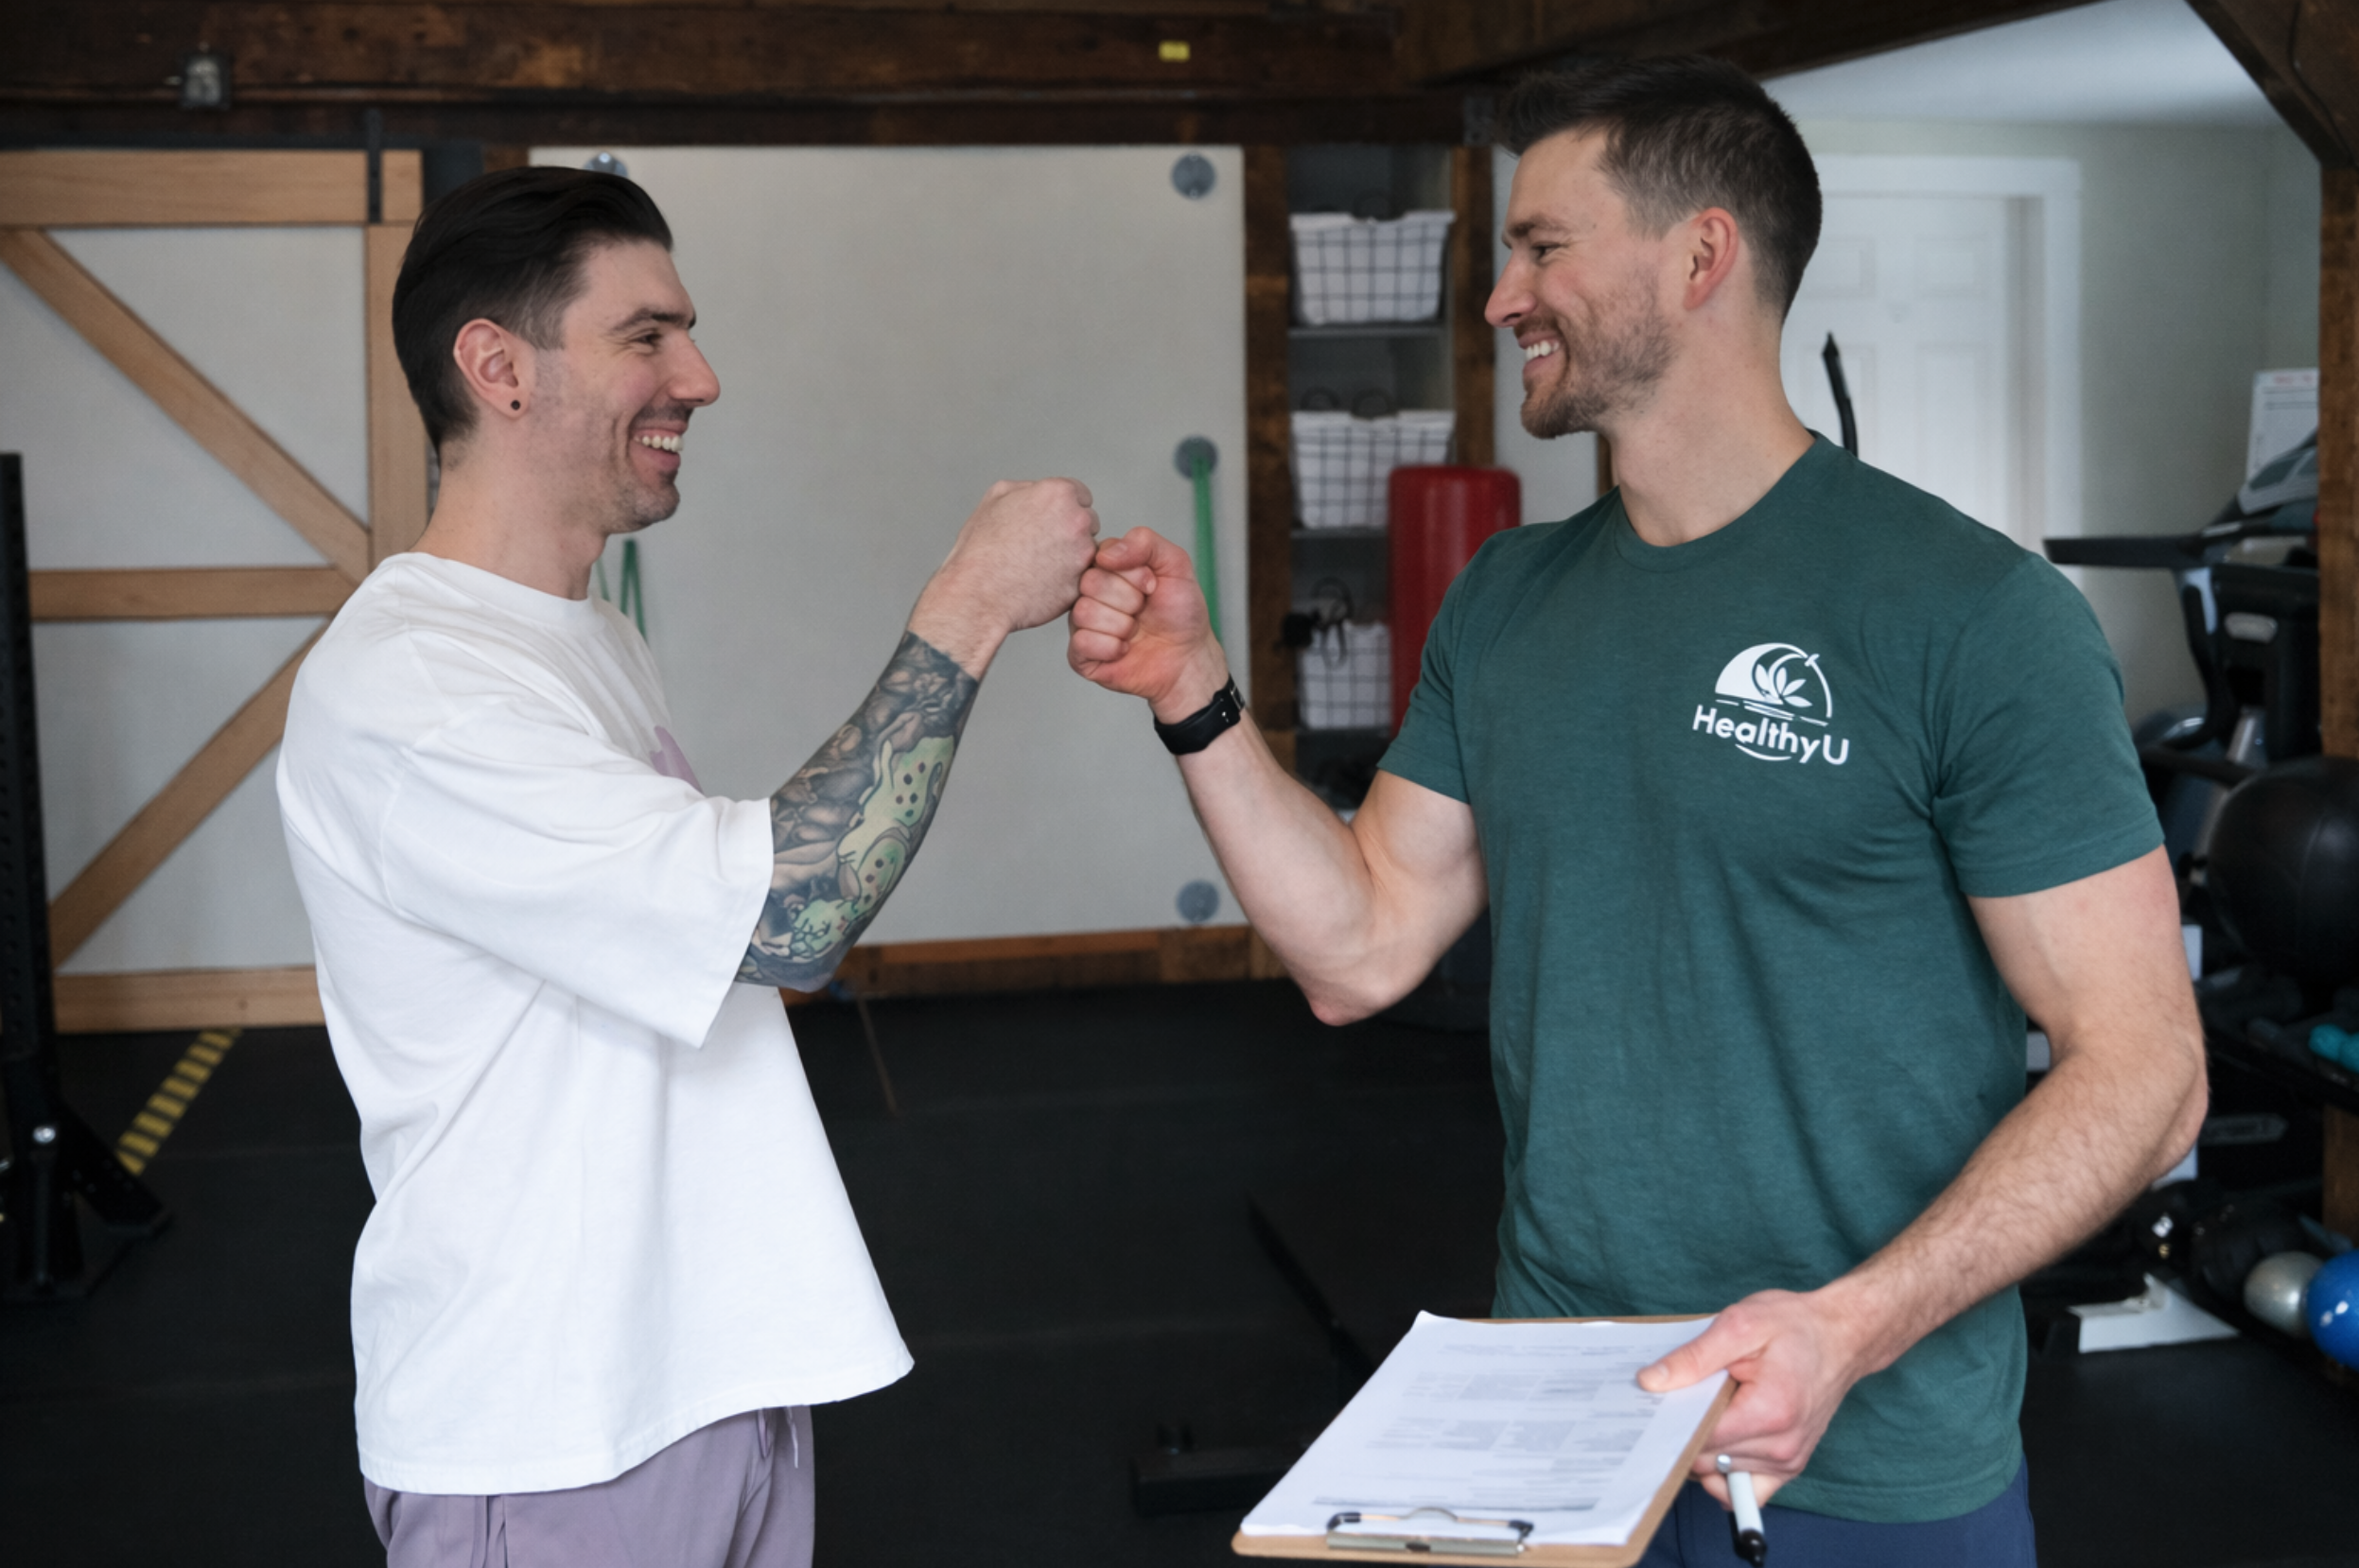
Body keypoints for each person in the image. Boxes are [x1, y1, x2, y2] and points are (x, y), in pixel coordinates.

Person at [1068, 57, 2206, 1563]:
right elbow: (1359, 950)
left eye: (1541, 246)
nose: (1498, 296)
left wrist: (1848, 1330)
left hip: (1862, 1464)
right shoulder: (1509, 601)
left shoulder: (1971, 615)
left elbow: (2147, 1071)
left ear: (1699, 257)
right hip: (1563, 1426)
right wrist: (1195, 696)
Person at [277, 166, 1097, 1567]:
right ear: (498, 369)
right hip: (554, 1432)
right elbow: (783, 919)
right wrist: (970, 605)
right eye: (645, 336)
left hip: (698, 1385)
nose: (699, 377)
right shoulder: (419, 687)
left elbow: (693, 947)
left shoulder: (574, 638)